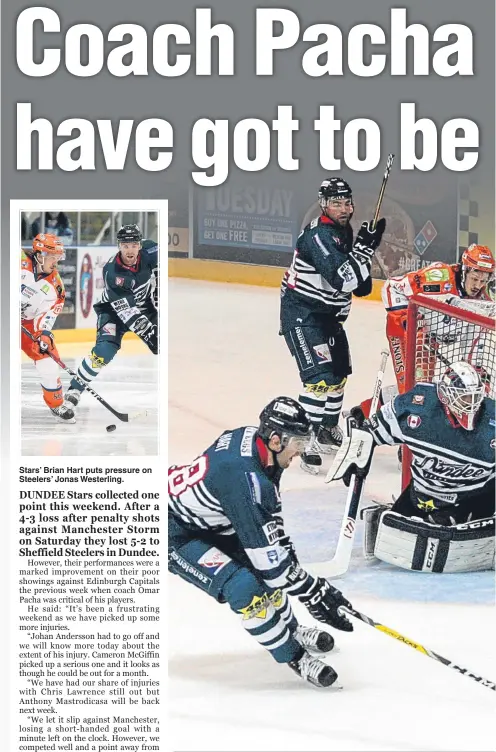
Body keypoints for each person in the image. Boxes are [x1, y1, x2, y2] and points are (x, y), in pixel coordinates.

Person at [168, 397, 355, 688]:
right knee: (245, 587)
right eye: (298, 444)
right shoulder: (243, 477)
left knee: (273, 569)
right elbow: (272, 568)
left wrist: (293, 567)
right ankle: (294, 655)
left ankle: (291, 629)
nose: (299, 453)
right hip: (173, 531)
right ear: (277, 440)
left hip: (213, 519)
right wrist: (315, 592)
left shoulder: (257, 444)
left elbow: (272, 532)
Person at [327, 361, 495, 573]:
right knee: (391, 534)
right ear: (444, 396)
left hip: (470, 499)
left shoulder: (493, 420)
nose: (471, 404)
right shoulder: (418, 407)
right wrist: (357, 454)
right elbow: (370, 431)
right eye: (464, 397)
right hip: (422, 494)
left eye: (474, 397)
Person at [280, 177, 386, 474]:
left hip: (329, 317)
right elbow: (341, 278)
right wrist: (364, 252)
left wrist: (364, 250)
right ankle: (306, 438)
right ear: (324, 204)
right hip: (303, 314)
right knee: (319, 378)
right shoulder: (318, 237)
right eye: (336, 203)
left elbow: (359, 286)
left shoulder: (343, 231)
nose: (344, 208)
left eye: (347, 202)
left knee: (338, 375)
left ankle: (326, 430)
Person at [64, 224, 158, 411]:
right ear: (119, 246)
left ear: (140, 245)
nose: (130, 250)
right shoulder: (112, 272)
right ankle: (74, 390)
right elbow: (128, 313)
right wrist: (150, 334)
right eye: (125, 245)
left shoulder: (151, 249)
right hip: (113, 312)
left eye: (133, 245)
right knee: (104, 351)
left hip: (145, 306)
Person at [382, 244, 495, 393]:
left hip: (432, 341)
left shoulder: (483, 301)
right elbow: (392, 287)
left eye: (483, 282)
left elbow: (473, 342)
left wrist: (473, 370)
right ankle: (378, 414)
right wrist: (407, 320)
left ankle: (361, 412)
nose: (478, 286)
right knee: (412, 391)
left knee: (423, 390)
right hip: (411, 335)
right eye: (474, 279)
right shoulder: (439, 277)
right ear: (464, 270)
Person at [20, 234, 75, 423]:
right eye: (52, 256)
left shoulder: (56, 287)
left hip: (27, 325)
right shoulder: (15, 260)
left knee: (49, 359)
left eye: (58, 257)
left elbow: (47, 316)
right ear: (39, 254)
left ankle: (56, 404)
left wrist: (43, 334)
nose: (56, 261)